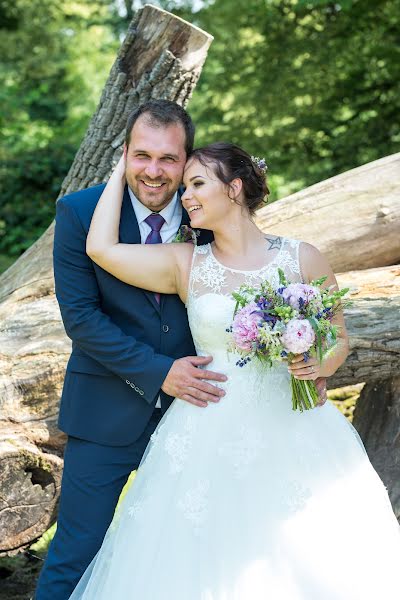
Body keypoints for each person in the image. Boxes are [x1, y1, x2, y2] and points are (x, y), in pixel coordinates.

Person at [69, 142, 400, 599]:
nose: (185, 196)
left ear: (235, 187)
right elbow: (100, 248)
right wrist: (121, 167)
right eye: (184, 188)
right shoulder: (184, 262)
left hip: (296, 427)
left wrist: (314, 364)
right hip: (207, 431)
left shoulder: (302, 258)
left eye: (197, 184)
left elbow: (337, 340)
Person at [35, 100, 228, 600]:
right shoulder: (79, 214)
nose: (154, 171)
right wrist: (159, 371)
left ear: (188, 160)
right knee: (77, 551)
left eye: (168, 159)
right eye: (142, 156)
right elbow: (82, 319)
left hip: (198, 409)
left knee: (190, 550)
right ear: (123, 154)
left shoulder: (210, 212)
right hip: (105, 410)